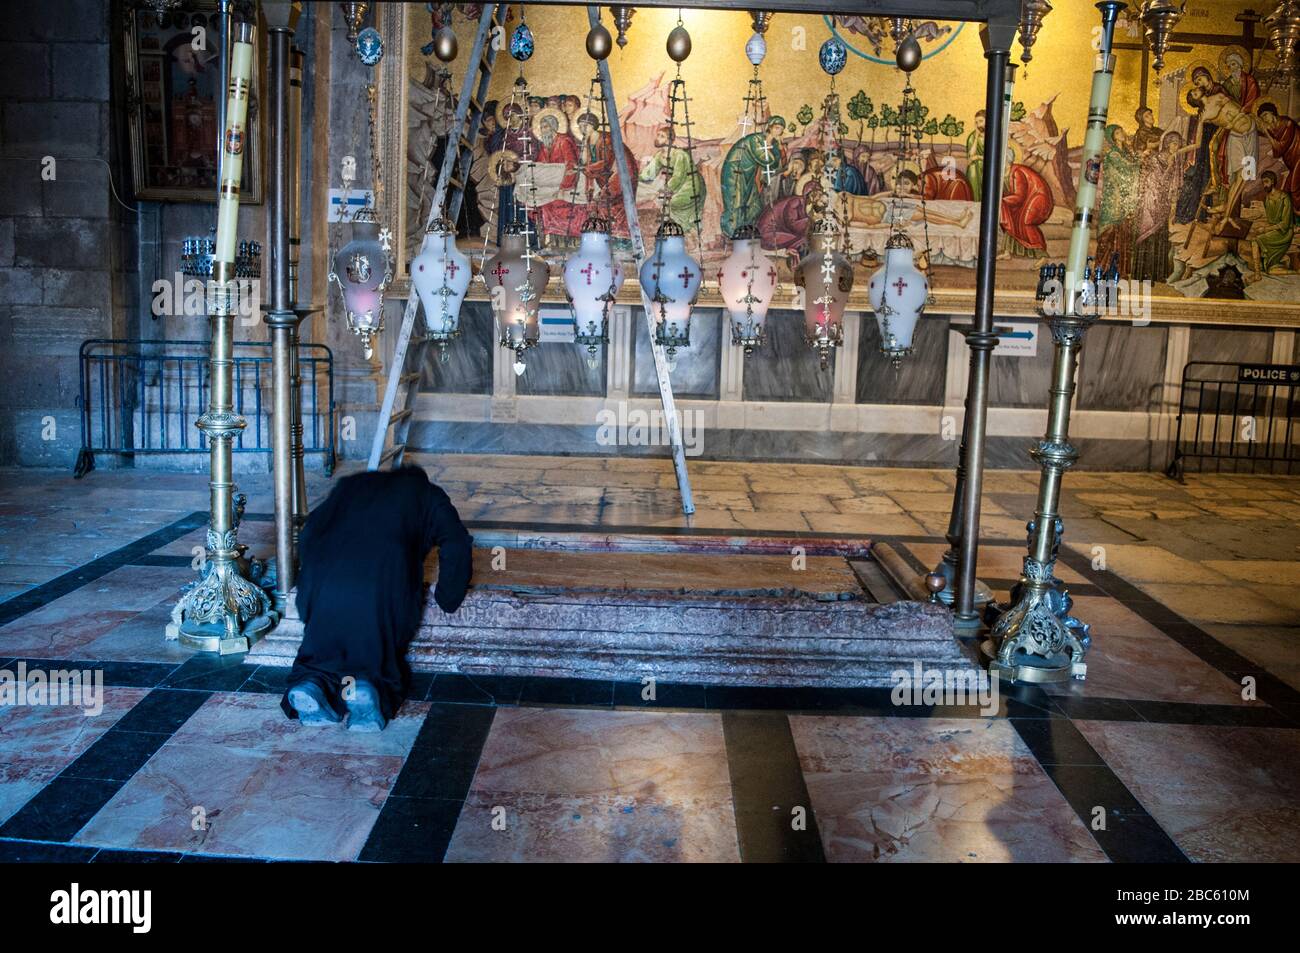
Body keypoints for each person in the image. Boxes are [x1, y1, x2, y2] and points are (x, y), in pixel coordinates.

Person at [283, 467, 473, 731]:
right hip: (381, 587)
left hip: (324, 586)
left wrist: (308, 597)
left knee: (320, 653)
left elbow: (310, 532)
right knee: (376, 655)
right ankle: (366, 690)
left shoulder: (351, 484)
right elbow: (457, 542)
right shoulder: (427, 494)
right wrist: (449, 596)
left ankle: (312, 684)